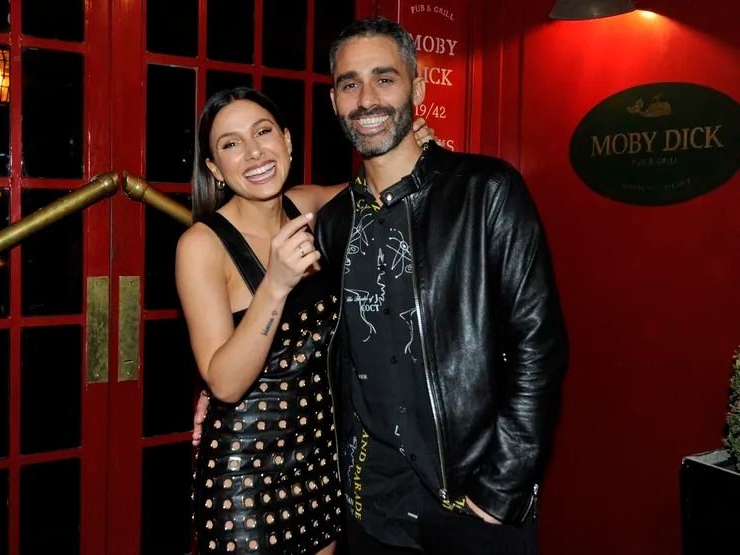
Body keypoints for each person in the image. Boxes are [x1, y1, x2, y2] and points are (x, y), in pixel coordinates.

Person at [314, 17, 569, 555]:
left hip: (473, 506)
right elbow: (326, 351)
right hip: (369, 508)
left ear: (418, 88)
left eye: (384, 78)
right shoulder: (334, 223)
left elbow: (539, 346)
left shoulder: (487, 191)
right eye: (349, 84)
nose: (366, 99)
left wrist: (500, 487)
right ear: (334, 101)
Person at [177, 86, 435, 555]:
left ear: (287, 141)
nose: (254, 152)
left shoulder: (310, 206)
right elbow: (225, 385)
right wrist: (275, 284)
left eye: (263, 132)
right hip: (245, 473)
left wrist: (408, 143)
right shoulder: (202, 245)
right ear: (214, 168)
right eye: (231, 144)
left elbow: (382, 185)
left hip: (320, 463)